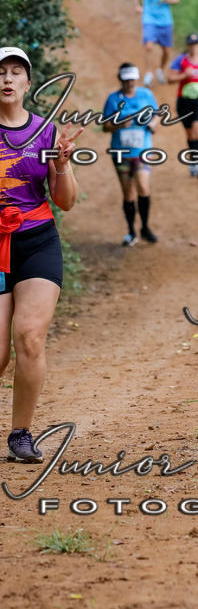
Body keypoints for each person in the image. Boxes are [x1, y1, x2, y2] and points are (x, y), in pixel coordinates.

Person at [0, 47, 81, 463]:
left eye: (16, 73)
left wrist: (63, 164)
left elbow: (65, 201)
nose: (7, 79)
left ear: (28, 84)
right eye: (1, 72)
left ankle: (20, 434)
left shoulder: (46, 133)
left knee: (29, 336)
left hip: (37, 241)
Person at [102, 63, 160, 246]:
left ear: (137, 78)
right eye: (126, 80)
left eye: (133, 79)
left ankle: (145, 227)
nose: (130, 83)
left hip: (142, 150)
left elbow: (157, 114)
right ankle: (131, 231)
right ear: (121, 80)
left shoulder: (146, 94)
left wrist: (153, 124)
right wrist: (119, 124)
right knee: (128, 193)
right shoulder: (113, 99)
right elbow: (105, 126)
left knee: (143, 187)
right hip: (121, 153)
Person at [168, 33, 198, 179]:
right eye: (191, 45)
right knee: (190, 134)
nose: (193, 47)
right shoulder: (180, 61)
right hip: (184, 101)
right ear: (187, 46)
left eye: (196, 44)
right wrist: (184, 75)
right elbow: (169, 78)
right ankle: (193, 161)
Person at [134, 0, 179, 87]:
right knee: (149, 46)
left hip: (165, 20)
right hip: (149, 19)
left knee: (166, 51)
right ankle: (148, 74)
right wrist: (138, 6)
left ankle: (160, 70)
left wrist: (169, 0)